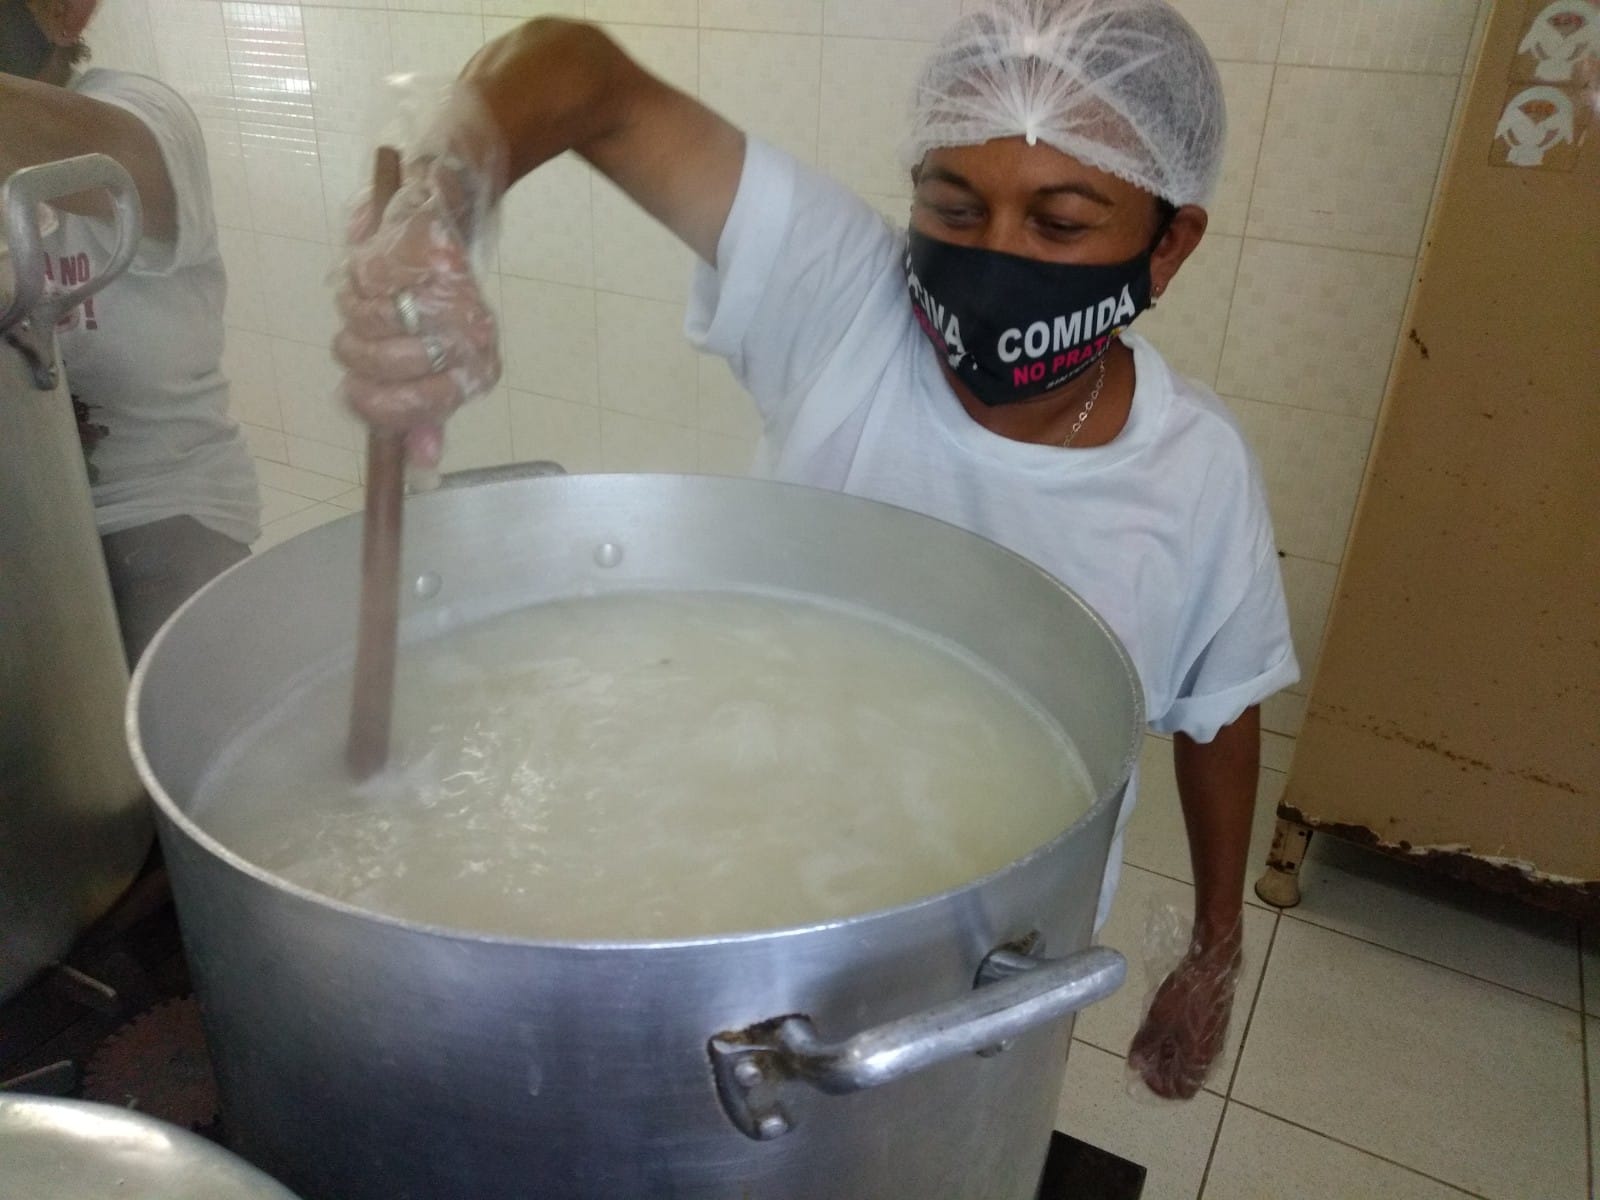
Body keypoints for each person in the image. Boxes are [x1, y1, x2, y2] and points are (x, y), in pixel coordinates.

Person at [332, 0, 1299, 1101]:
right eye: (954, 205)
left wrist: (1214, 951)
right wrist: (437, 211)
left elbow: (1221, 711)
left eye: (1060, 225)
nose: (996, 257)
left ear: (1168, 243)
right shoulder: (846, 304)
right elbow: (575, 70)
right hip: (742, 907)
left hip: (997, 973)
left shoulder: (1194, 472)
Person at [1, 0, 260, 664]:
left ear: (69, 12)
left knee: (170, 708)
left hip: (158, 510)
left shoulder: (139, 111)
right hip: (26, 530)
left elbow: (127, 167)